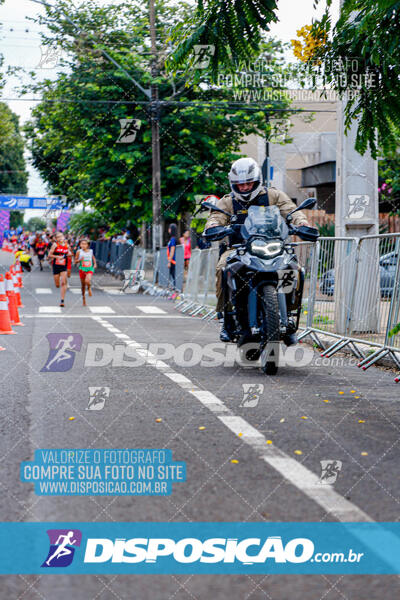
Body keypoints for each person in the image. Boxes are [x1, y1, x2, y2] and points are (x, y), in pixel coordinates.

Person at [203, 157, 310, 342]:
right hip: (238, 249)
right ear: (232, 183)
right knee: (222, 268)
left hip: (274, 246)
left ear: (258, 180)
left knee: (295, 268)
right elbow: (215, 218)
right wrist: (213, 227)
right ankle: (227, 318)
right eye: (240, 184)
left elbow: (292, 211)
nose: (244, 188)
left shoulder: (274, 196)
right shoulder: (228, 201)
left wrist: (302, 223)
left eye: (248, 183)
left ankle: (289, 313)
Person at [47, 231, 72, 307]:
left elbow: (69, 254)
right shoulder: (55, 245)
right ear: (56, 239)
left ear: (64, 237)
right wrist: (57, 257)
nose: (60, 238)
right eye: (58, 237)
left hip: (63, 265)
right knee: (57, 284)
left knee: (63, 282)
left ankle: (62, 300)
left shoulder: (67, 245)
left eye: (61, 236)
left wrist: (70, 254)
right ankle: (58, 284)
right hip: (56, 265)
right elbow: (49, 255)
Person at [75, 238, 96, 306]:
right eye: (82, 244)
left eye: (85, 244)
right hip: (82, 269)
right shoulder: (79, 251)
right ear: (80, 245)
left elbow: (93, 258)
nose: (83, 245)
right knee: (83, 285)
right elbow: (75, 261)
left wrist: (95, 264)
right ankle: (84, 299)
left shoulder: (91, 251)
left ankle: (89, 288)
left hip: (89, 268)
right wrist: (79, 260)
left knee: (87, 281)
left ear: (88, 245)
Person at [167, 224, 177, 288]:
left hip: (173, 260)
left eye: (169, 228)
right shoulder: (171, 239)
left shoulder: (173, 239)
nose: (168, 230)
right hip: (171, 259)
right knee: (172, 273)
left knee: (173, 274)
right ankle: (173, 286)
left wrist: (169, 261)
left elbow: (172, 250)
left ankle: (175, 287)